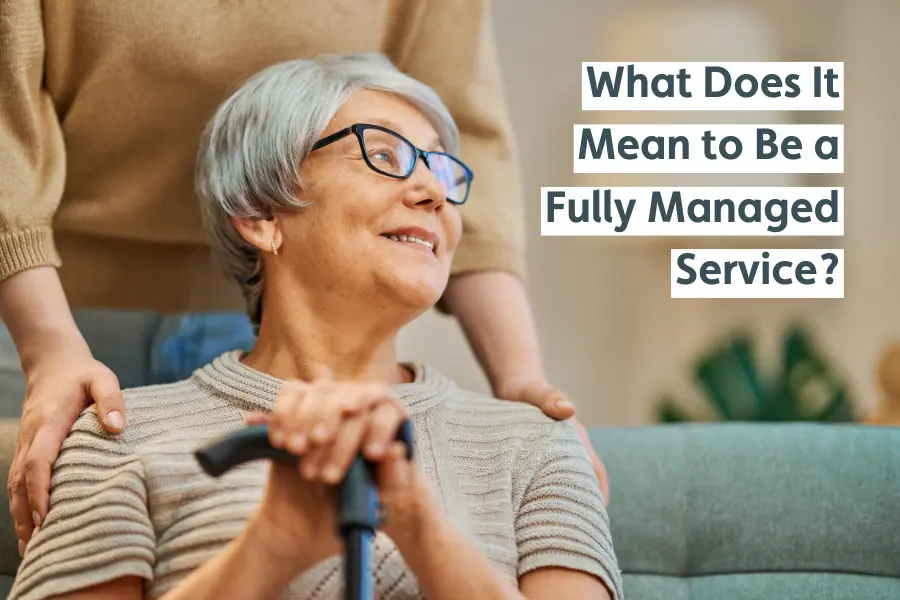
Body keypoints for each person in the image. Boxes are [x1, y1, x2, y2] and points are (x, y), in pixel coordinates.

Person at [0, 0, 609, 555]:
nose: (432, 193)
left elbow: (470, 130)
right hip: (50, 300)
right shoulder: (102, 445)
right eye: (384, 154)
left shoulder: (529, 452)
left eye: (441, 172)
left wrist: (520, 376)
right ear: (262, 216)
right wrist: (49, 347)